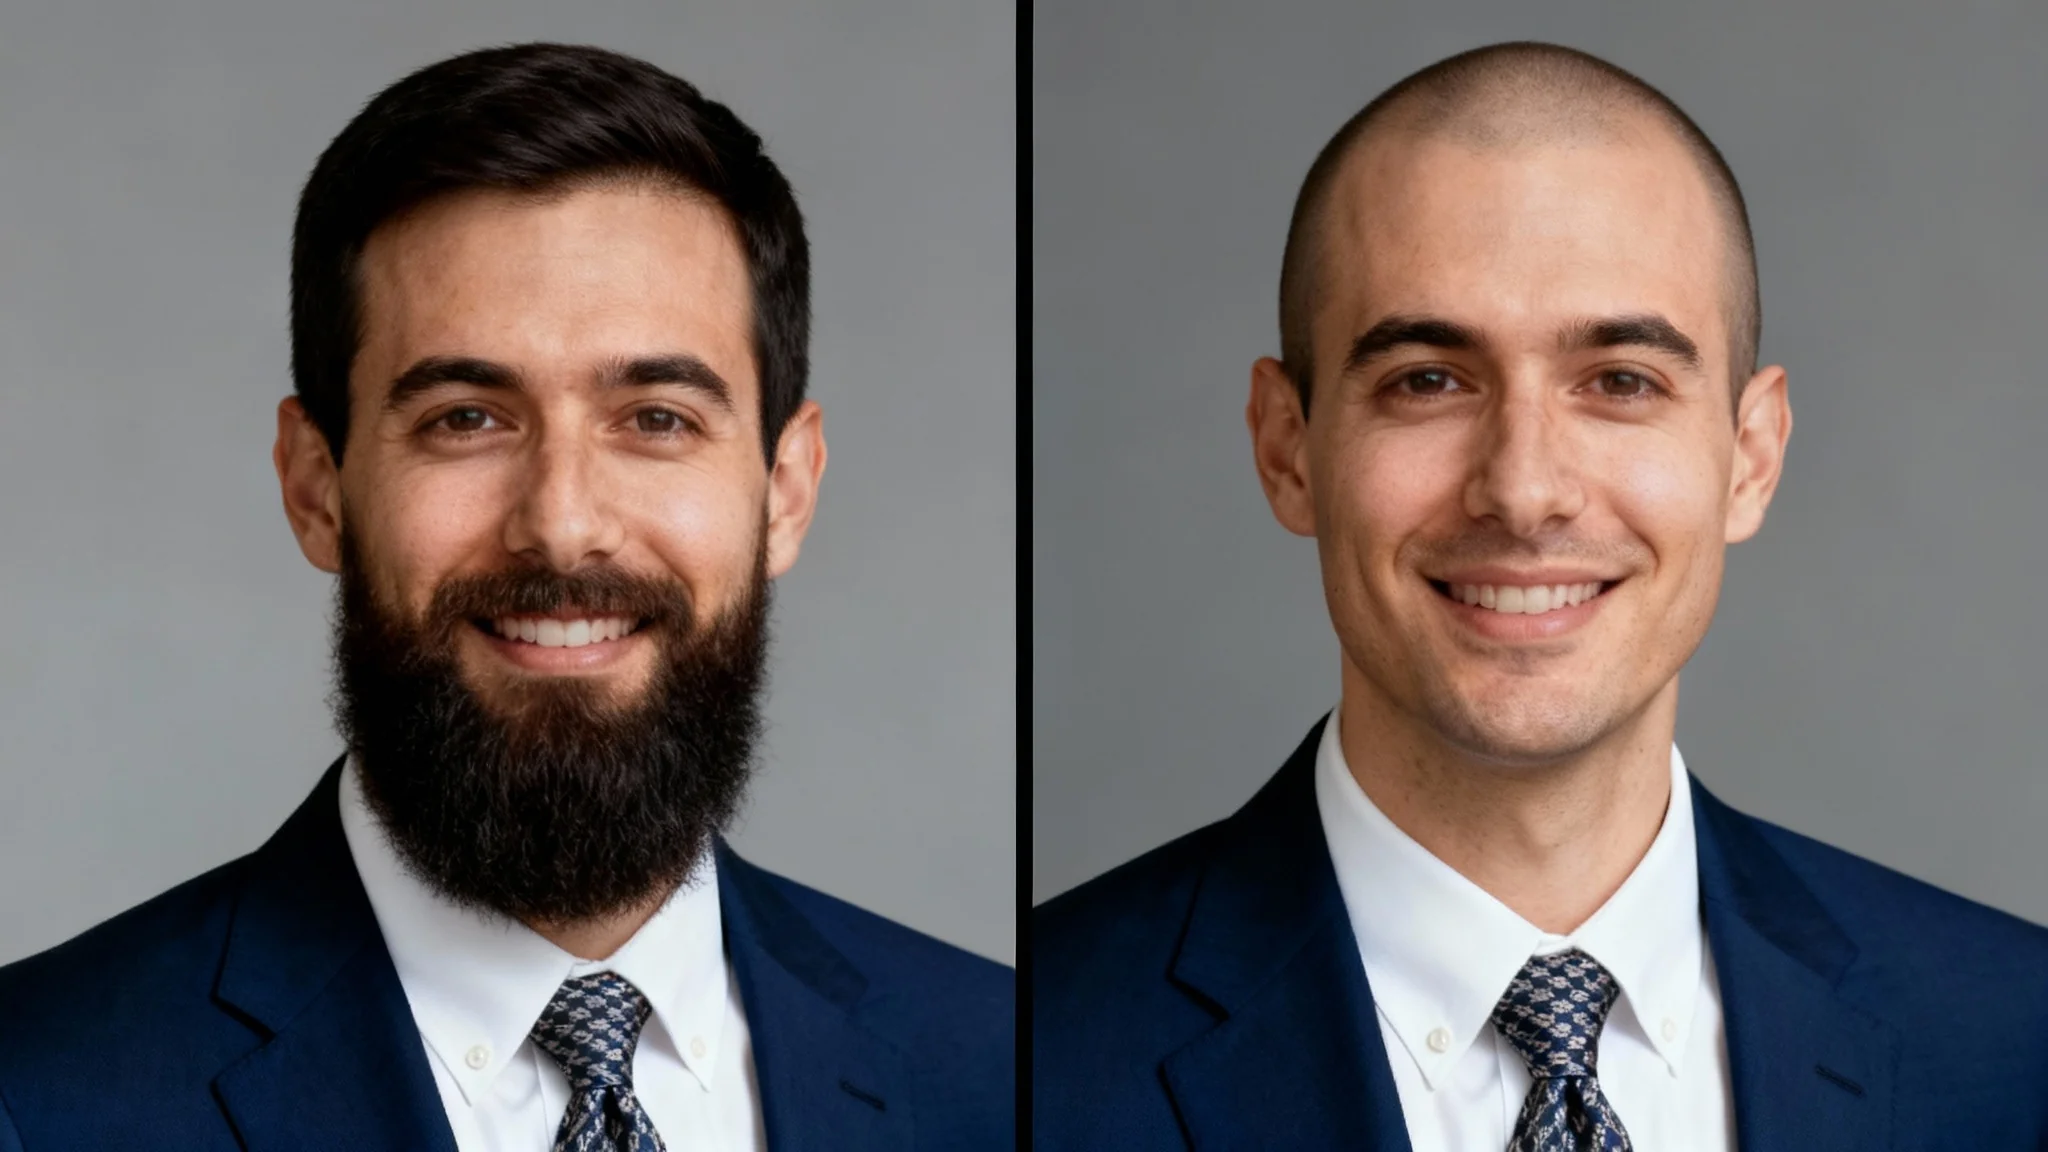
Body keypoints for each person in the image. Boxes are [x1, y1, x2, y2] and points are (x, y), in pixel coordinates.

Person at [1032, 40, 2048, 1151]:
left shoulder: (2014, 1044)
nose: (1522, 492)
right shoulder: (1035, 1059)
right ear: (1287, 450)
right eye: (1427, 380)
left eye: (1620, 381)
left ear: (1749, 457)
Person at [0, 43, 1010, 1152]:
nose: (562, 523)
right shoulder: (37, 1097)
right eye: (466, 419)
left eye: (657, 418)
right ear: (317, 486)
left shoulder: (997, 1066)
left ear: (786, 490)